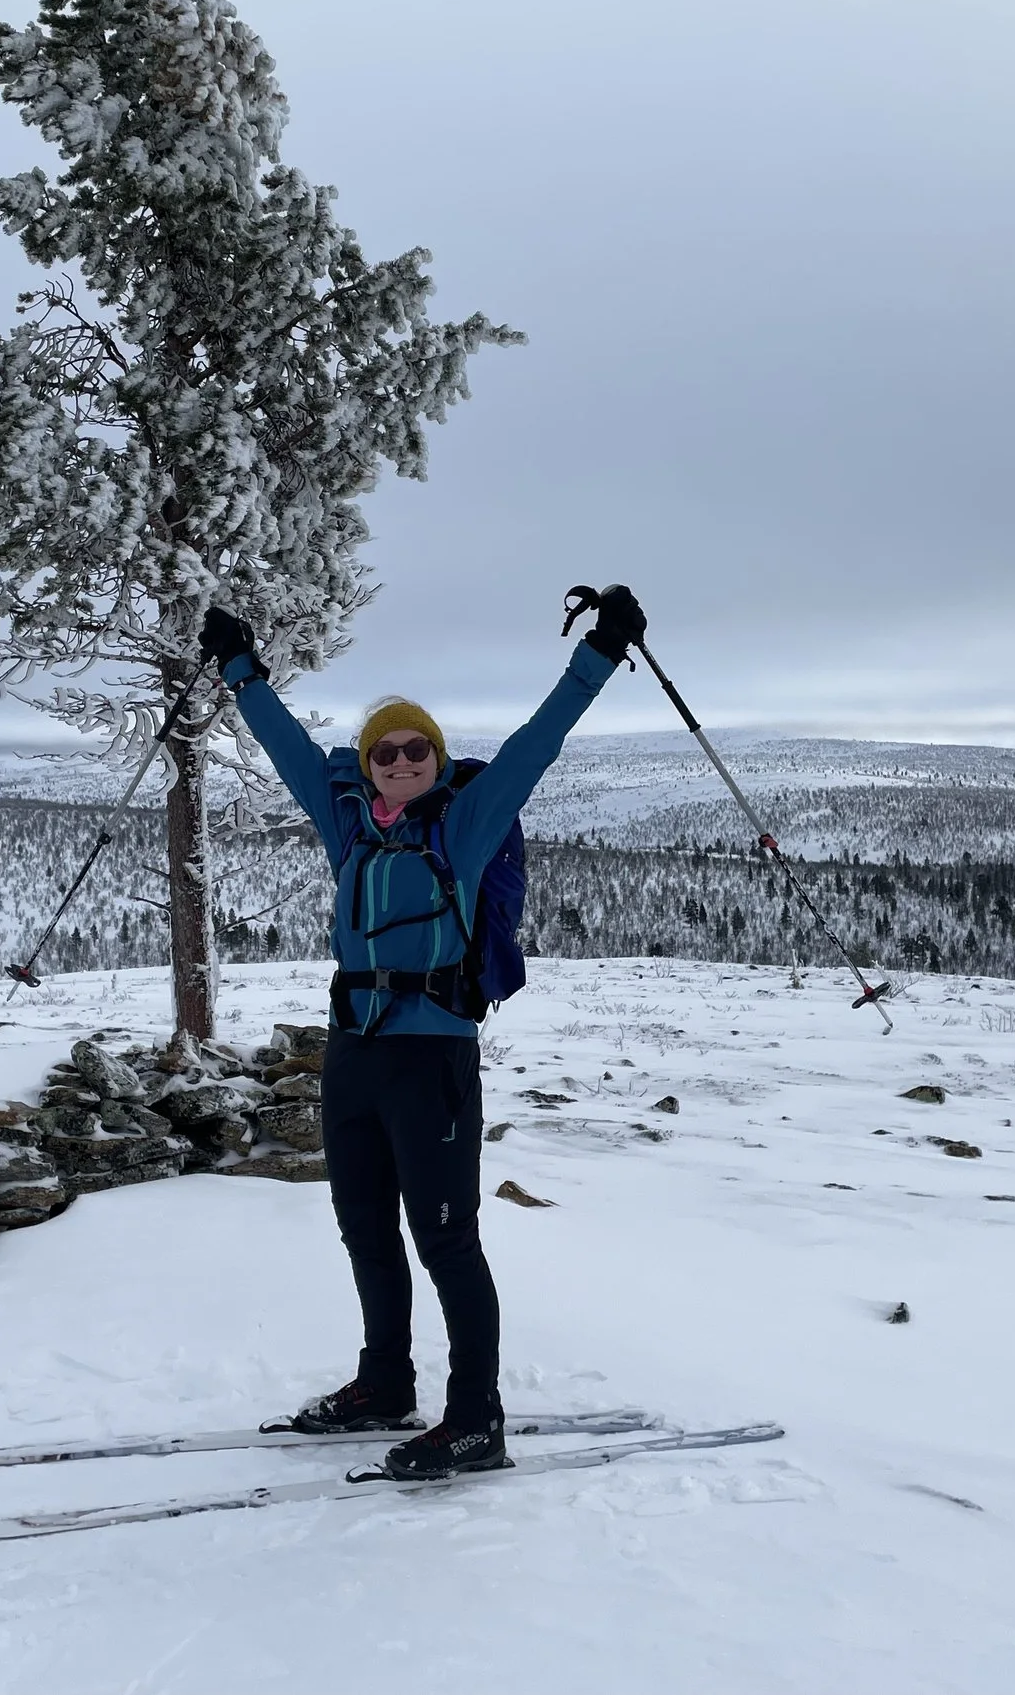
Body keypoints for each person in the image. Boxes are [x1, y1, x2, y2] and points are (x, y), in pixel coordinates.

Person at [198, 585, 648, 1480]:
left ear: (436, 758)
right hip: (356, 1053)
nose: (400, 759)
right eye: (384, 750)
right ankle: (385, 1381)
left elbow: (534, 746)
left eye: (417, 748)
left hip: (434, 1053)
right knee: (363, 1224)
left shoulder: (465, 823)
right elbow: (288, 750)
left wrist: (598, 654)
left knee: (445, 1237)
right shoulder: (349, 827)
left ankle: (477, 1417)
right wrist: (240, 669)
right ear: (367, 766)